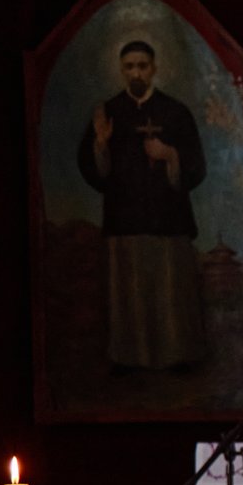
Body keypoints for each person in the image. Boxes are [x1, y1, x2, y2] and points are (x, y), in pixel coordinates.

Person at [77, 40, 209, 372]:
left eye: (142, 65)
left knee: (171, 292)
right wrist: (101, 145)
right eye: (129, 66)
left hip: (169, 220)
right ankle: (130, 360)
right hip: (125, 220)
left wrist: (170, 155)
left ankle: (177, 358)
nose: (136, 72)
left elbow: (197, 166)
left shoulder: (176, 112)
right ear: (122, 70)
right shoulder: (108, 113)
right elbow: (93, 171)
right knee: (129, 294)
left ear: (154, 68)